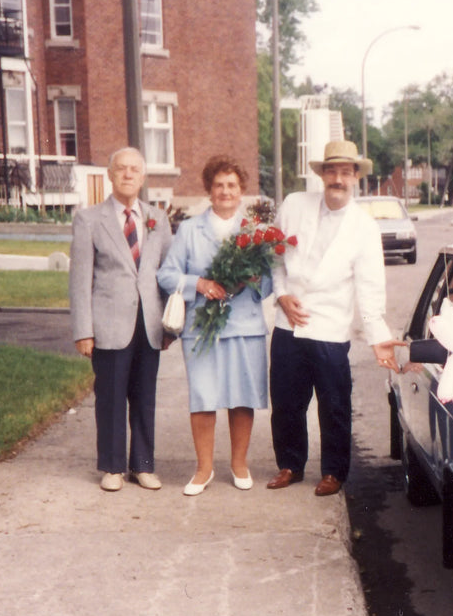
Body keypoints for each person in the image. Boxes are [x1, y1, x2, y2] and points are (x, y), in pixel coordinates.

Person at [267, 139, 397, 497]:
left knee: (335, 405)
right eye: (331, 170)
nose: (337, 178)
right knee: (286, 402)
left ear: (356, 177)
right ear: (322, 174)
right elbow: (275, 258)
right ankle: (290, 465)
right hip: (287, 325)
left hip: (330, 329)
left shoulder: (364, 227)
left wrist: (378, 338)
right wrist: (281, 296)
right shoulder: (294, 205)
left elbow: (371, 287)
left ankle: (333, 472)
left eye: (345, 172)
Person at [157, 156, 269, 495]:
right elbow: (166, 274)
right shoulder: (190, 229)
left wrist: (254, 280)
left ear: (242, 190)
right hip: (202, 329)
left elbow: (270, 281)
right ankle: (203, 468)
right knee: (203, 397)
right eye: (218, 185)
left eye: (231, 185)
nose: (225, 191)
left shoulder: (255, 231)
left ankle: (239, 464)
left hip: (244, 325)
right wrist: (199, 284)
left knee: (241, 395)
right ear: (208, 189)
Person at [68, 147, 173, 491]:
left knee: (144, 397)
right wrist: (84, 330)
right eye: (121, 169)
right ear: (110, 175)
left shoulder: (158, 219)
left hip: (150, 324)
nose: (128, 175)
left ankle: (142, 465)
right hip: (109, 324)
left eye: (134, 170)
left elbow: (168, 273)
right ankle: (112, 467)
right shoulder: (89, 220)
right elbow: (81, 279)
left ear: (143, 177)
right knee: (111, 396)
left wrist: (171, 324)